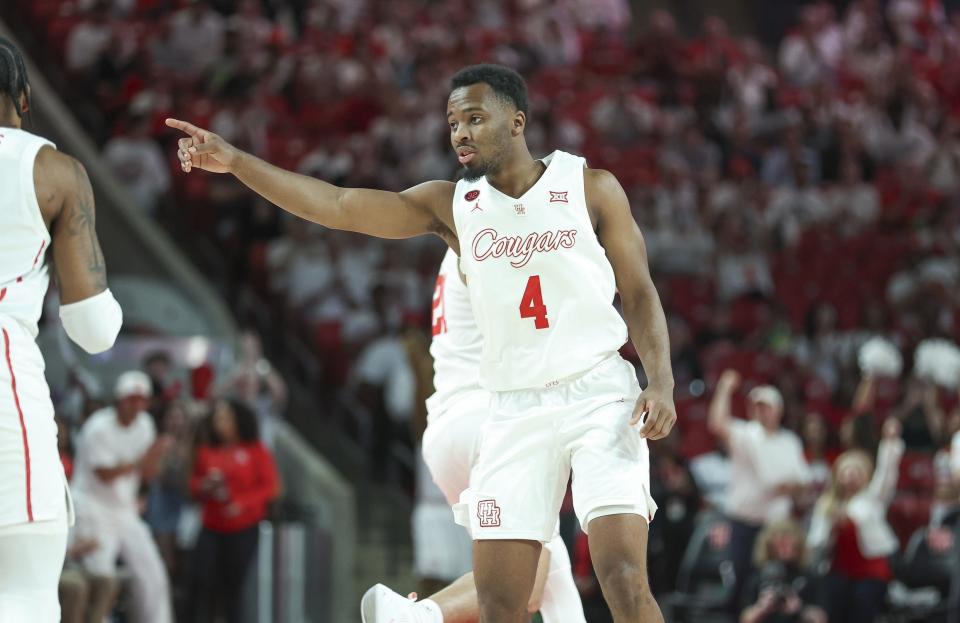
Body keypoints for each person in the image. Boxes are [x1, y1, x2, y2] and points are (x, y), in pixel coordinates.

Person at [169, 63, 677, 623]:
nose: (460, 132)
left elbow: (639, 292)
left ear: (517, 122)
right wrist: (236, 162)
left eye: (475, 118)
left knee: (623, 578)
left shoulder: (590, 187)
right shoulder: (451, 206)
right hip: (511, 408)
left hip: (598, 393)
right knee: (501, 602)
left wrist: (661, 381)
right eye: (453, 122)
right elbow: (335, 206)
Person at [362, 249, 587, 622]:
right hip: (495, 424)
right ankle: (416, 615)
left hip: (453, 426)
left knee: (550, 577)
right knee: (525, 580)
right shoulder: (500, 239)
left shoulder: (457, 252)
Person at [0, 37, 122, 623]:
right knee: (23, 594)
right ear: (23, 97)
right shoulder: (53, 172)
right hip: (4, 376)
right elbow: (93, 330)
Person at [71, 371, 175, 623]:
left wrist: (157, 457)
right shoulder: (98, 427)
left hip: (124, 509)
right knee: (101, 577)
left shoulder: (146, 425)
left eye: (142, 400)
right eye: (131, 399)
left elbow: (146, 474)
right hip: (93, 508)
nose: (137, 405)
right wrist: (147, 456)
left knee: (152, 574)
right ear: (119, 400)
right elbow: (105, 474)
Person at [708, 370, 812, 613]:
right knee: (740, 582)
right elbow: (716, 423)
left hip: (776, 527)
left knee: (773, 585)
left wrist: (789, 488)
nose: (761, 410)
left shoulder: (790, 441)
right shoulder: (746, 434)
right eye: (756, 406)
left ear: (778, 410)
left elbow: (803, 483)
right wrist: (724, 387)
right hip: (743, 522)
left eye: (766, 406)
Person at [187, 397, 280, 623]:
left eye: (225, 418)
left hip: (242, 528)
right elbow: (193, 484)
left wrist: (243, 503)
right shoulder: (207, 451)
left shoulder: (256, 450)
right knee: (200, 580)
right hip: (211, 525)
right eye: (217, 418)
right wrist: (205, 485)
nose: (220, 423)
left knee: (233, 587)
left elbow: (270, 487)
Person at [807, 418, 904, 623]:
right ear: (837, 476)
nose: (850, 476)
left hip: (871, 572)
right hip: (838, 571)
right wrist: (831, 528)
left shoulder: (873, 499)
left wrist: (890, 443)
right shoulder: (826, 504)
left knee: (862, 612)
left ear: (865, 476)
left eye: (856, 471)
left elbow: (887, 474)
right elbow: (815, 543)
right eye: (846, 471)